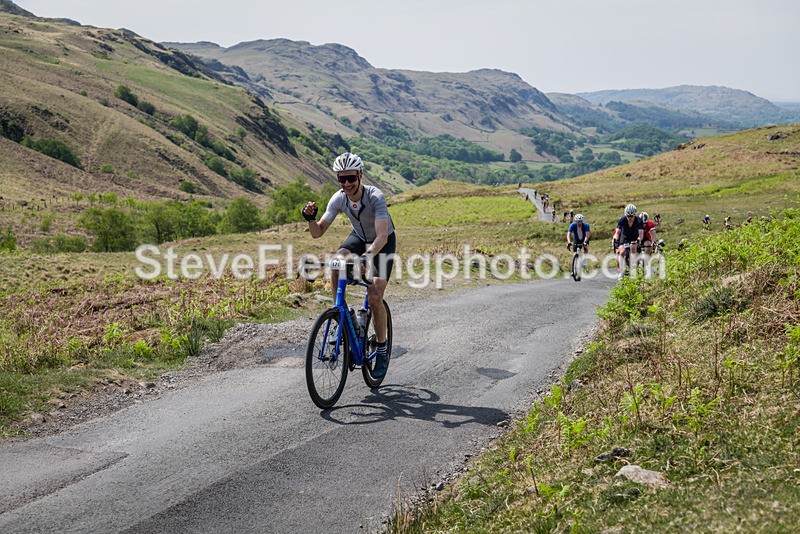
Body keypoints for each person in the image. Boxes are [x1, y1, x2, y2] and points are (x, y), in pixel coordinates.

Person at [302, 152, 396, 377]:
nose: (346, 184)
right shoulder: (338, 198)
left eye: (351, 178)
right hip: (358, 237)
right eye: (341, 179)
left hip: (382, 243)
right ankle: (340, 316)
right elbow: (318, 233)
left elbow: (382, 236)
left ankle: (382, 350)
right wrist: (310, 219)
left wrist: (367, 257)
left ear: (360, 175)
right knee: (336, 262)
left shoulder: (375, 196)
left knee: (374, 297)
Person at [612, 204, 644, 272]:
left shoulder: (639, 220)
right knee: (622, 251)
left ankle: (635, 267)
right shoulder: (622, 219)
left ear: (634, 215)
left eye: (631, 216)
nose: (629, 218)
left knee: (633, 248)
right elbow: (617, 232)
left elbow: (641, 233)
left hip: (634, 237)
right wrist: (615, 239)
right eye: (628, 216)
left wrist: (638, 240)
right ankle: (620, 269)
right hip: (625, 236)